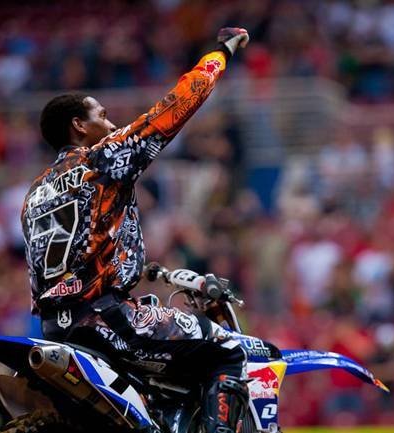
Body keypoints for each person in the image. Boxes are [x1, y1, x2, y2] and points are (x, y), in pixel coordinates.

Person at [21, 28, 250, 433]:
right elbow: (177, 105)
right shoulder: (101, 160)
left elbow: (62, 262)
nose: (111, 124)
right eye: (102, 116)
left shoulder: (34, 194)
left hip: (55, 328)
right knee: (229, 351)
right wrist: (221, 53)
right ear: (78, 125)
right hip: (105, 319)